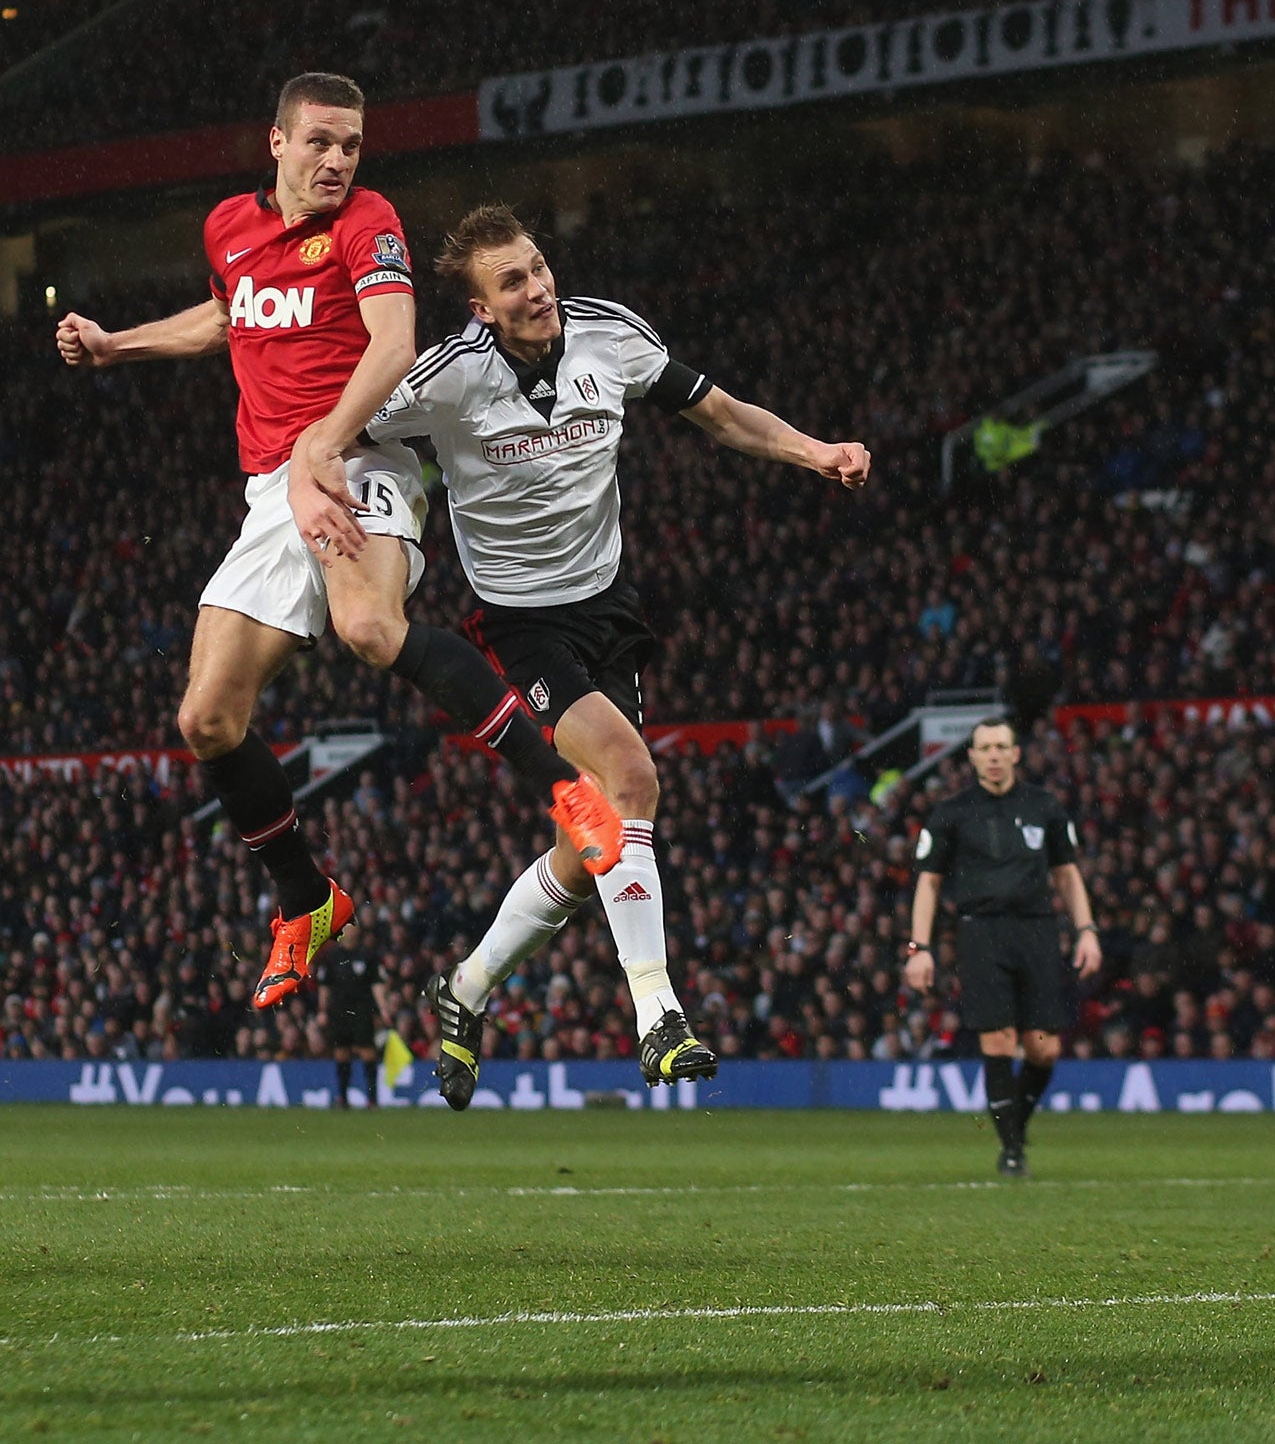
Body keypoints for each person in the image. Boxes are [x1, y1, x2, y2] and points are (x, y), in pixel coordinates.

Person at [54, 72, 620, 1013]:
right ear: (275, 143)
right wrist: (119, 346)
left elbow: (393, 345)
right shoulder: (229, 226)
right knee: (206, 719)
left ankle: (567, 790)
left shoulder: (367, 222)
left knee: (367, 627)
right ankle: (307, 900)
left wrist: (320, 448)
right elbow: (232, 313)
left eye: (351, 145)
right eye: (319, 142)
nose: (337, 161)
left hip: (360, 456)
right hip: (274, 487)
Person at [301, 204, 869, 1098]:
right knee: (632, 781)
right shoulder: (440, 380)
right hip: (521, 624)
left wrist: (814, 450)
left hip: (611, 608)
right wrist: (314, 467)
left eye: (538, 267)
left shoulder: (611, 337)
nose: (539, 288)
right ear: (481, 309)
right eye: (514, 282)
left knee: (593, 835)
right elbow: (343, 421)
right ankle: (658, 1013)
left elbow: (721, 415)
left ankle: (466, 986)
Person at [904, 718, 1103, 1177]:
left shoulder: (1045, 806)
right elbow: (928, 884)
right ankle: (1012, 1150)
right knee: (997, 1039)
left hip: (1036, 930)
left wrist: (1087, 929)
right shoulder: (952, 812)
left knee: (1044, 1050)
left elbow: (1068, 876)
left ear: (1016, 754)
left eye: (1001, 747)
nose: (993, 755)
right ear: (971, 756)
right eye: (984, 748)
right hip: (981, 933)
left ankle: (1015, 1124)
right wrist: (920, 947)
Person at [321, 921, 384, 1109]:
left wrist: (383, 1009)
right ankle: (342, 1097)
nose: (350, 930)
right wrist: (322, 1011)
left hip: (362, 1010)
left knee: (367, 1050)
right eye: (347, 927)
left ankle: (372, 1099)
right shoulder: (332, 956)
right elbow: (325, 986)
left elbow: (377, 984)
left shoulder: (367, 955)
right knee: (341, 1052)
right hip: (338, 1010)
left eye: (353, 926)